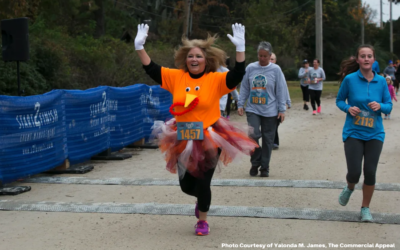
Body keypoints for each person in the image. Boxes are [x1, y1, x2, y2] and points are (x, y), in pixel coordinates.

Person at [135, 23, 258, 236]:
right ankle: (200, 200)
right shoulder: (176, 77)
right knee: (186, 185)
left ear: (207, 60)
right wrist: (139, 47)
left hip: (211, 135)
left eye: (199, 56)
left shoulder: (216, 79)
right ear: (185, 59)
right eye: (191, 56)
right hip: (183, 135)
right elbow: (152, 69)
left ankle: (203, 219)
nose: (194, 59)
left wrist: (241, 50)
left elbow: (238, 74)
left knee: (204, 181)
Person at [336, 44, 392, 222]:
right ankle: (350, 187)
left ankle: (365, 208)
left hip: (375, 133)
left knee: (370, 172)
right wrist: (347, 108)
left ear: (373, 60)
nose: (366, 59)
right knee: (354, 172)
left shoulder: (382, 81)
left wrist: (380, 106)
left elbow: (389, 105)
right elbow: (339, 100)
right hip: (353, 131)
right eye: (363, 56)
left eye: (369, 56)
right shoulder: (350, 80)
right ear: (358, 59)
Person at [237, 41, 287, 177]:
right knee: (252, 135)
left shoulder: (276, 70)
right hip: (253, 108)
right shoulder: (251, 68)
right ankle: (255, 162)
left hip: (270, 110)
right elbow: (245, 87)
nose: (262, 59)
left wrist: (282, 110)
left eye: (265, 56)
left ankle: (264, 167)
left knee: (268, 139)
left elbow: (281, 90)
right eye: (260, 56)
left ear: (270, 55)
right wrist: (240, 104)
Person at [270, 53, 291, 150]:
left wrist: (288, 100)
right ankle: (271, 141)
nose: (270, 61)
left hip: (277, 103)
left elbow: (284, 87)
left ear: (275, 60)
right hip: (266, 103)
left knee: (275, 123)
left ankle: (274, 142)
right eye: (269, 59)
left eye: (272, 59)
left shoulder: (278, 71)